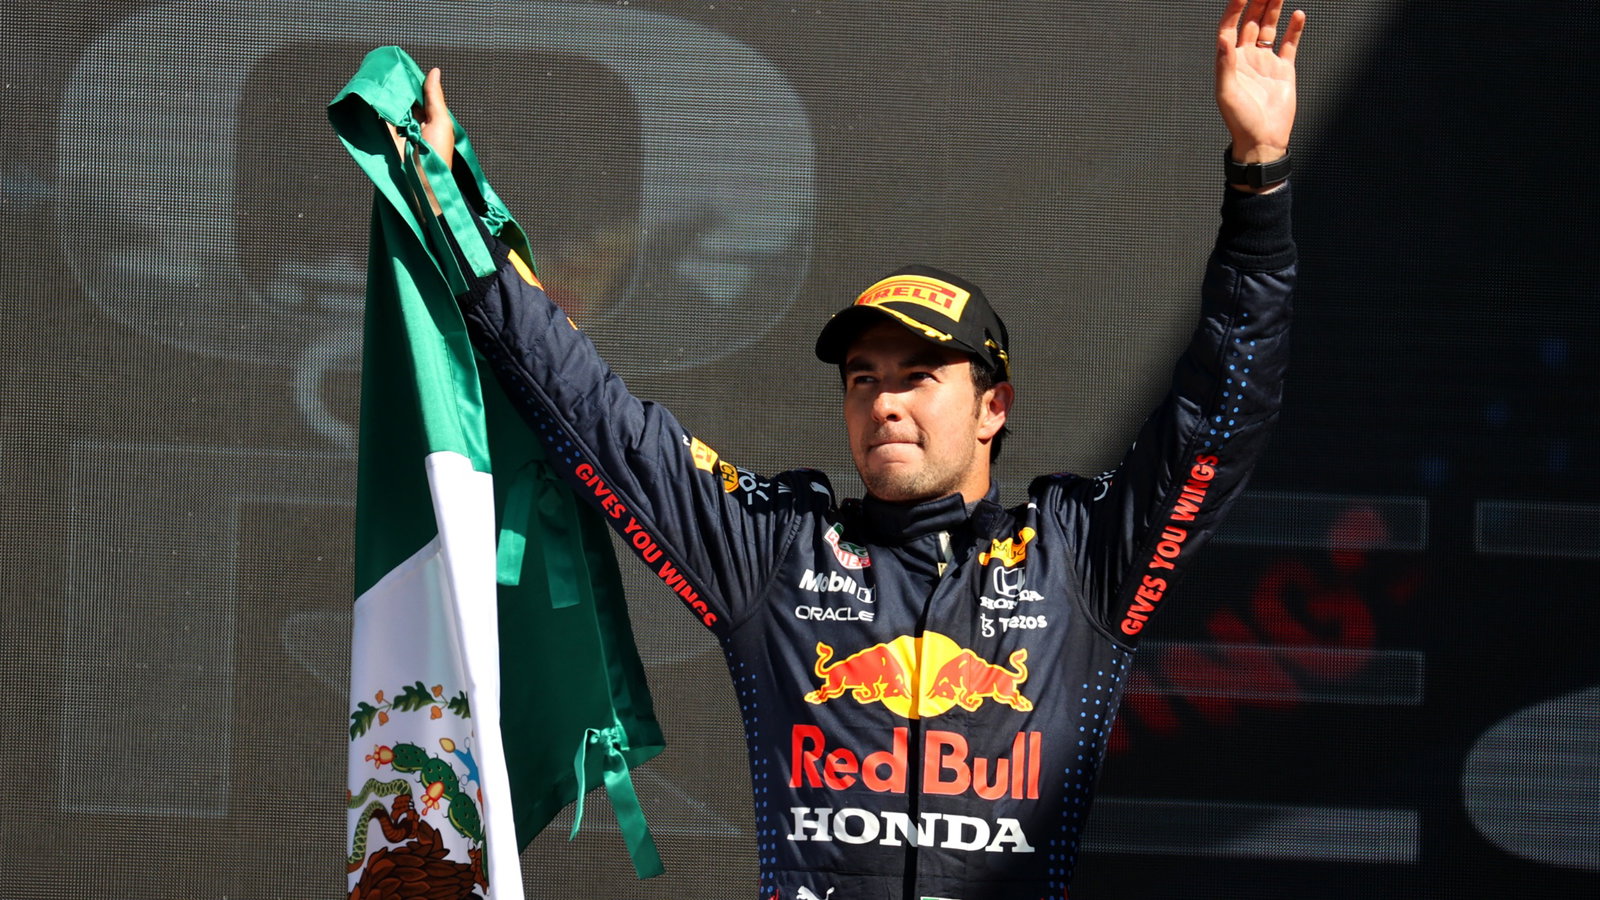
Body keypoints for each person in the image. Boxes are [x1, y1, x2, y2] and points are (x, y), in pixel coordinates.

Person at [400, 1, 1305, 896]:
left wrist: (1259, 178)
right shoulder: (780, 553)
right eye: (863, 378)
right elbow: (604, 426)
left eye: (919, 377)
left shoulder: (1078, 562)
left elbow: (1219, 417)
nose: (885, 403)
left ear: (993, 408)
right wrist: (460, 227)